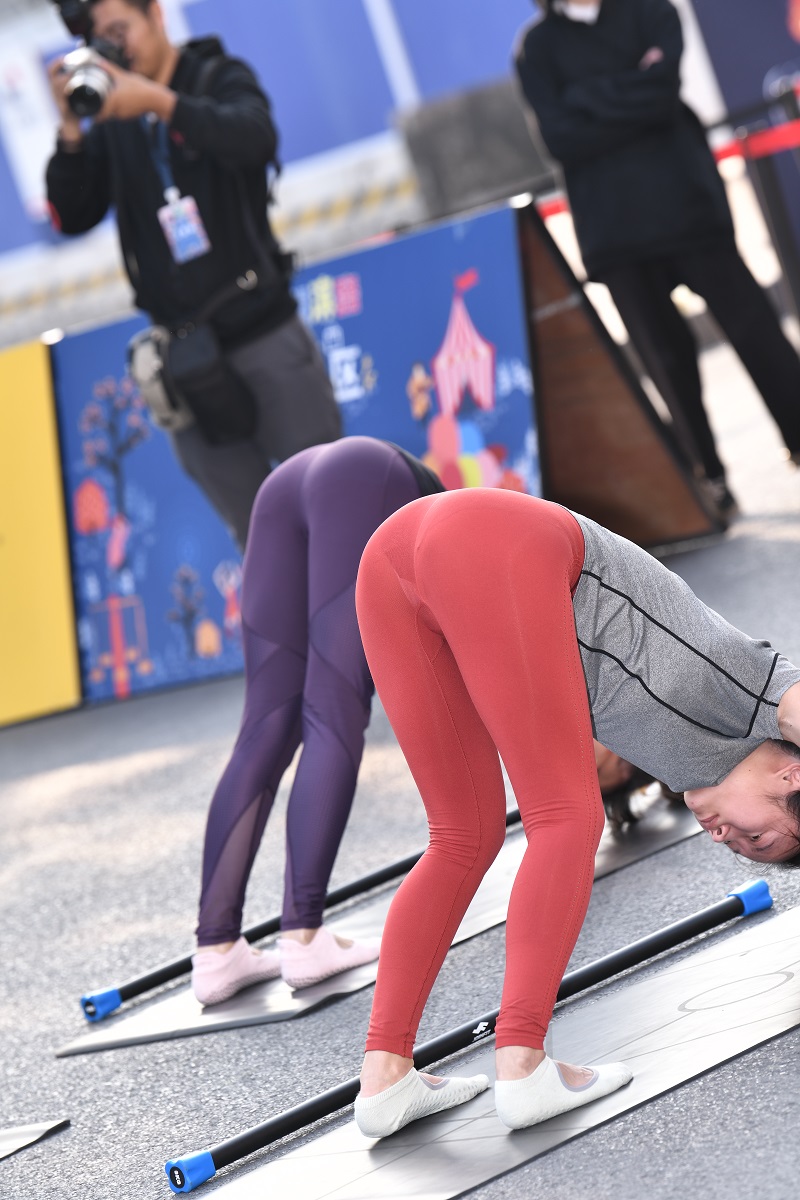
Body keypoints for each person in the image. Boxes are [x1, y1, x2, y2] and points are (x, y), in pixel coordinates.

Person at [350, 487, 800, 1137]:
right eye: (758, 836)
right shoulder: (764, 697)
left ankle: (385, 1080)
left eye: (738, 847)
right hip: (494, 539)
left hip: (396, 555)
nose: (725, 837)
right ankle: (524, 1065)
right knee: (566, 815)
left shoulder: (697, 768)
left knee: (462, 835)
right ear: (792, 775)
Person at [46, 0, 341, 550]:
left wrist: (161, 104)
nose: (115, 48)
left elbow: (256, 137)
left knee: (332, 512)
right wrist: (70, 126)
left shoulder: (215, 75)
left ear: (155, 14)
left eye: (120, 31)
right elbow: (71, 213)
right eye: (100, 40)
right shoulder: (112, 120)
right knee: (261, 543)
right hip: (184, 360)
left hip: (264, 333)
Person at [515, 0, 800, 515]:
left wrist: (583, 97)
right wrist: (634, 84)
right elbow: (559, 137)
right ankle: (707, 479)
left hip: (689, 207)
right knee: (666, 364)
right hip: (616, 233)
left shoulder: (651, 11)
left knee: (756, 331)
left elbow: (663, 94)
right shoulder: (537, 48)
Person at [190, 436, 444, 1005]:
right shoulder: (475, 535)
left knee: (264, 727)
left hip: (281, 488)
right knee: (334, 709)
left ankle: (215, 949)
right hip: (365, 477)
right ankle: (303, 935)